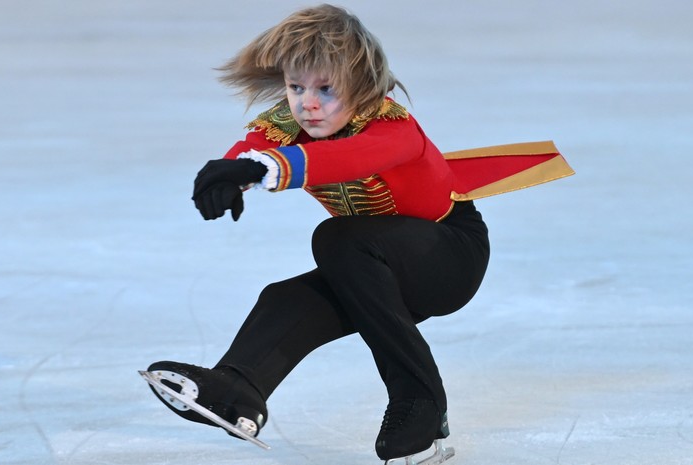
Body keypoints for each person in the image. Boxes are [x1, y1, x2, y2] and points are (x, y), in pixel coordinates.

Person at [146, 4, 491, 462]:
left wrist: (261, 168)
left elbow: (348, 159)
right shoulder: (292, 125)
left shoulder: (392, 127)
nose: (307, 102)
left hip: (449, 255)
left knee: (339, 238)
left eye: (326, 89)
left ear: (361, 86)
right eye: (296, 86)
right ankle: (239, 389)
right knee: (286, 299)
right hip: (373, 265)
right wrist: (233, 173)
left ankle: (419, 400)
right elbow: (256, 147)